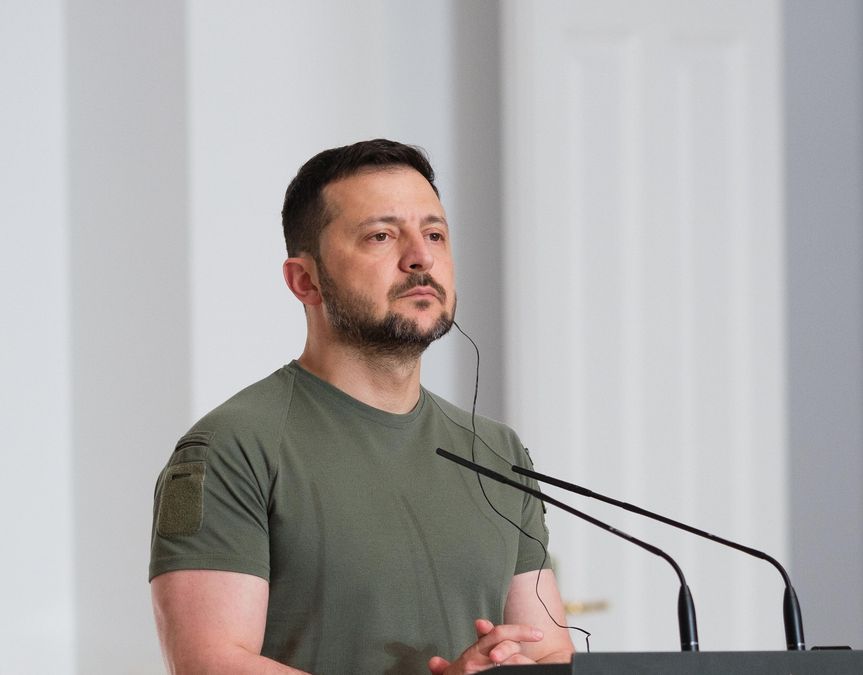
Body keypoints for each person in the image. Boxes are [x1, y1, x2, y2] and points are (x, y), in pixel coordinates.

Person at [148, 139, 575, 673]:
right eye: (381, 235)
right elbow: (210, 664)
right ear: (305, 281)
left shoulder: (496, 450)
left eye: (435, 235)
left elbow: (548, 649)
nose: (421, 257)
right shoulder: (229, 449)